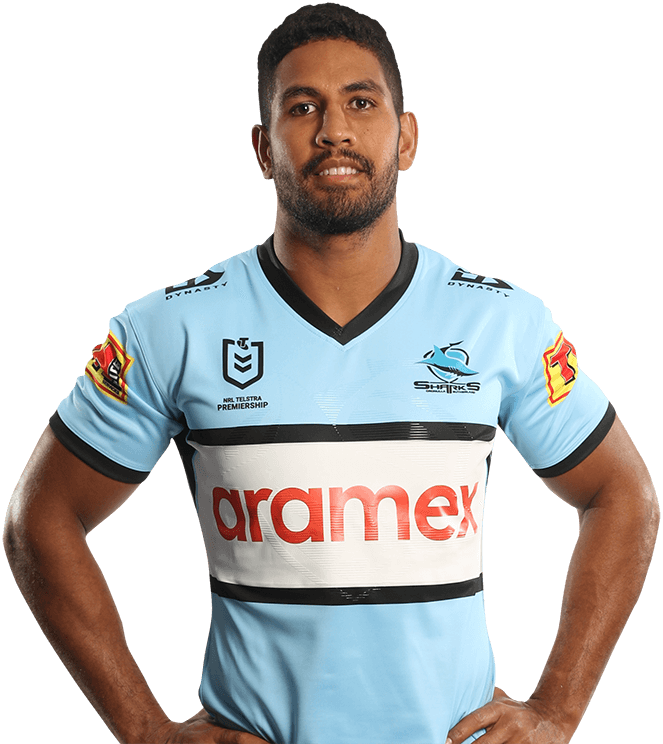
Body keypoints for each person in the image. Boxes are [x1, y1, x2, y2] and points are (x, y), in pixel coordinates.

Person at [4, 4, 658, 743]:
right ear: (262, 149)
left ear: (406, 138)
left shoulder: (500, 320)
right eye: (302, 106)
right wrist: (144, 730)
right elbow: (40, 519)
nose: (334, 130)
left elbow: (622, 494)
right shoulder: (168, 328)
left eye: (361, 102)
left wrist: (558, 709)